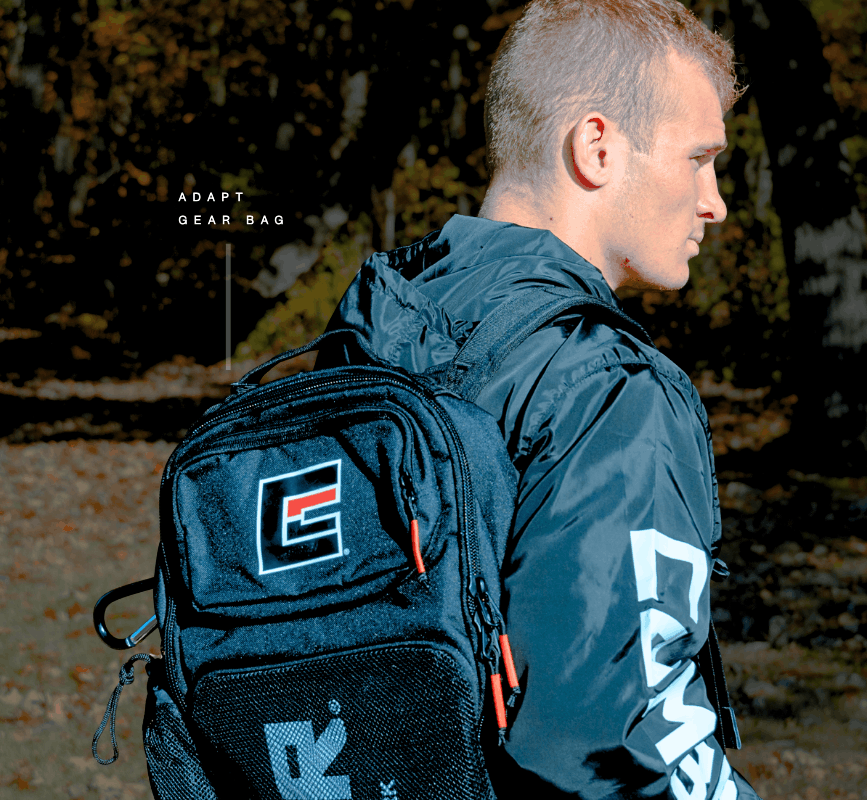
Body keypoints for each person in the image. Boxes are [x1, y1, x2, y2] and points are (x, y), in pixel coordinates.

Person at [321, 1, 756, 797]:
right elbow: (622, 754)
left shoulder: (364, 341)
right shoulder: (603, 388)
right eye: (699, 158)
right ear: (597, 147)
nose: (714, 201)